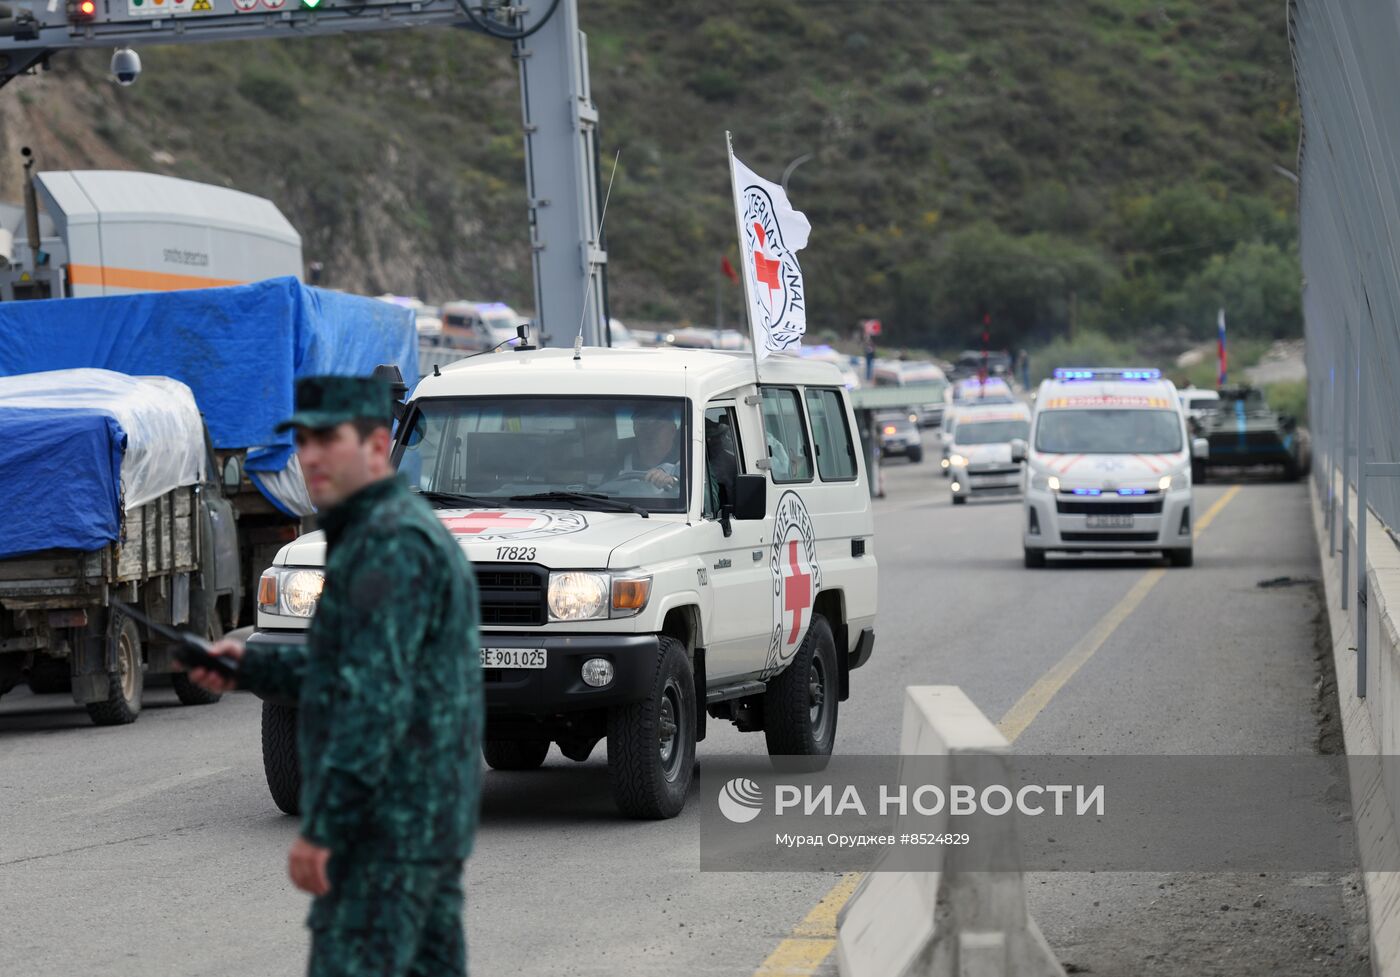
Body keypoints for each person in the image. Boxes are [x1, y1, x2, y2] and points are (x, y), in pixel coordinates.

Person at [187, 375, 483, 977]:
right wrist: (253, 665)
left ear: (377, 446)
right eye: (303, 440)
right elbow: (352, 666)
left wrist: (328, 829)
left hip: (387, 829)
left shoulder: (390, 544)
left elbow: (372, 699)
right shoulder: (367, 536)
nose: (310, 455)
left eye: (329, 439)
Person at [621, 402, 681, 490]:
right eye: (643, 426)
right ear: (635, 430)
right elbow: (602, 493)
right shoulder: (619, 465)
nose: (650, 432)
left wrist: (674, 481)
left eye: (658, 426)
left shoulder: (687, 464)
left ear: (673, 430)